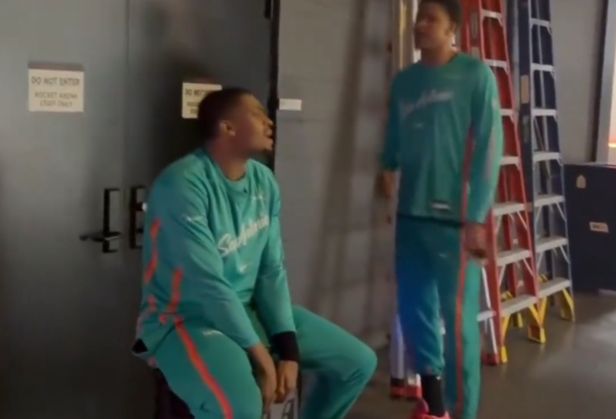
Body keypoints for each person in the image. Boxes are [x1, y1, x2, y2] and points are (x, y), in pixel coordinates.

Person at [132, 87, 377, 419]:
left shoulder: (264, 181)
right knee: (242, 407)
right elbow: (209, 285)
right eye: (258, 115)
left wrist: (288, 351)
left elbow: (271, 270)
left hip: (248, 310)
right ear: (228, 127)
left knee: (357, 363)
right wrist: (263, 359)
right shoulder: (182, 184)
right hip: (184, 319)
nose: (268, 122)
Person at [379, 1, 503, 419]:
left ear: (453, 28)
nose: (420, 25)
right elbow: (394, 134)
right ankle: (435, 405)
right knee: (414, 313)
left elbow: (489, 148)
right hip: (412, 216)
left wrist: (477, 217)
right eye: (419, 18)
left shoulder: (475, 76)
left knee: (459, 324)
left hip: (458, 221)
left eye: (431, 19)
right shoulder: (405, 82)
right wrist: (387, 166)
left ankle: (461, 410)